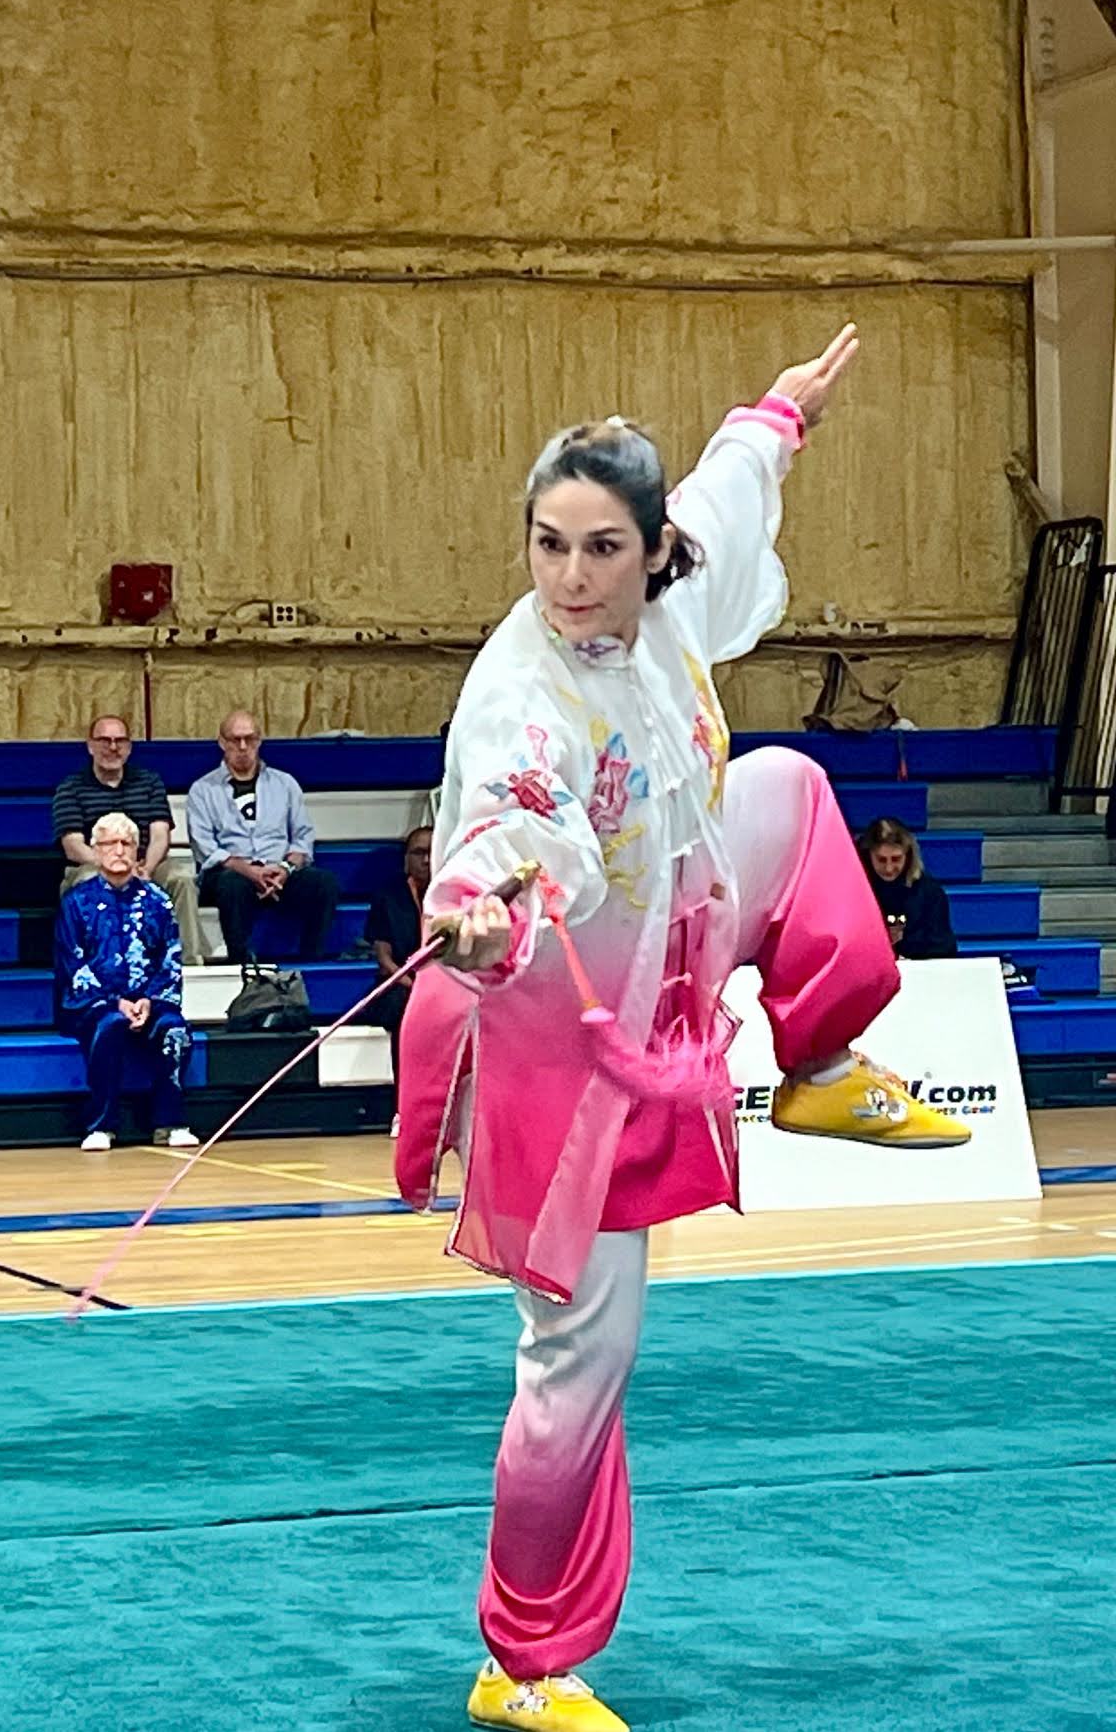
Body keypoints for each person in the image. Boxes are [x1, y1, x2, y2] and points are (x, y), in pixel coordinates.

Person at [393, 326, 971, 1732]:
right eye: (547, 545)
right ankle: (521, 1666)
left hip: (671, 955)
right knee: (579, 1361)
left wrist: (781, 414)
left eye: (602, 547)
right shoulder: (521, 691)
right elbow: (509, 825)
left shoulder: (670, 598)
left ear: (652, 554)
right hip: (559, 1032)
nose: (571, 577)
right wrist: (479, 912)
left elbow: (726, 482)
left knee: (786, 787)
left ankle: (819, 1064)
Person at [53, 812, 196, 1154]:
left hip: (150, 1001)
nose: (118, 851)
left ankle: (170, 1122)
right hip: (94, 1004)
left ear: (137, 850)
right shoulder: (76, 903)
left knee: (175, 1030)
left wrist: (150, 1000)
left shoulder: (158, 901)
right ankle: (101, 1125)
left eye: (126, 843)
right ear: (96, 850)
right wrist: (115, 1002)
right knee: (112, 1024)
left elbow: (170, 959)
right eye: (109, 844)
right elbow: (72, 964)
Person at [186, 710, 339, 963]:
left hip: (279, 870)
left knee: (325, 883)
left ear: (259, 740)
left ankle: (312, 962)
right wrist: (249, 871)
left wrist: (284, 869)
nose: (242, 747)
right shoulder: (202, 790)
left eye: (249, 739)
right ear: (222, 743)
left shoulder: (285, 784)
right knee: (231, 885)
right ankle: (241, 965)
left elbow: (302, 838)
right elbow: (205, 849)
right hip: (229, 874)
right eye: (235, 740)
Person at [51, 715, 205, 964]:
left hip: (144, 864)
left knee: (181, 880)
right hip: (94, 865)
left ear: (129, 747)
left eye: (120, 741)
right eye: (105, 741)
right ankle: (96, 963)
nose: (113, 747)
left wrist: (146, 868)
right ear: (90, 746)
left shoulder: (149, 782)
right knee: (87, 881)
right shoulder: (70, 788)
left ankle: (187, 963)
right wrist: (115, 866)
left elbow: (160, 836)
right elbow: (73, 846)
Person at [365, 826, 432, 1127]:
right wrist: (414, 985)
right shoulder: (388, 896)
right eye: (419, 853)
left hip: (443, 984)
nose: (426, 860)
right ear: (406, 859)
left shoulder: (453, 895)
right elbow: (384, 959)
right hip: (399, 983)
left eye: (432, 852)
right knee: (406, 1013)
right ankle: (404, 1108)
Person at [858, 816, 958, 960]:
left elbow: (944, 948)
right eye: (881, 860)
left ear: (908, 855)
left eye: (896, 859)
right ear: (868, 856)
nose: (889, 868)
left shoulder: (930, 892)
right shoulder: (856, 893)